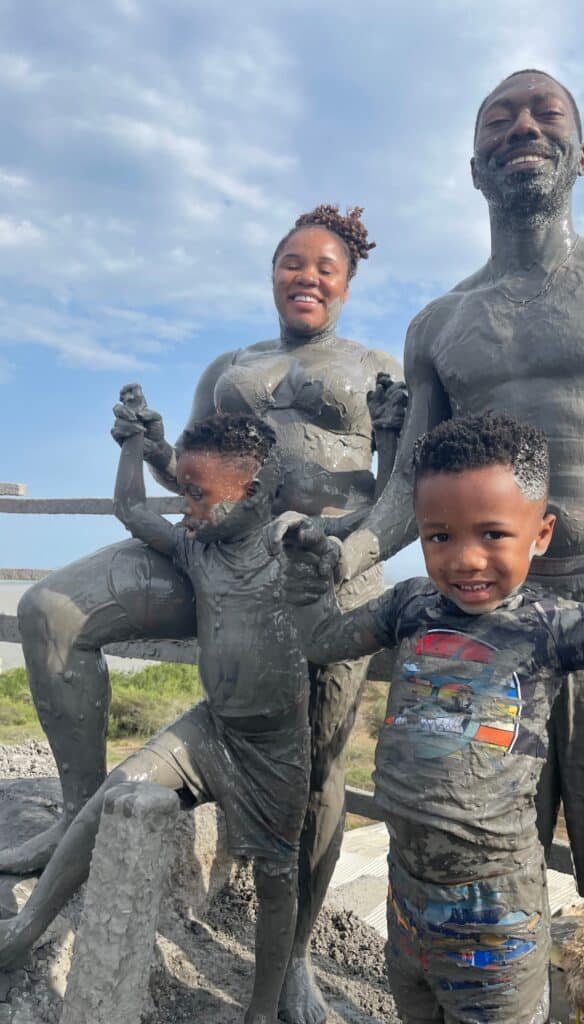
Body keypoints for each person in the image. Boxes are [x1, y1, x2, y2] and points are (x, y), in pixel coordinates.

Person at [332, 72, 584, 1023]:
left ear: (582, 154)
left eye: (547, 114)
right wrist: (336, 554)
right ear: (474, 167)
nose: (524, 126)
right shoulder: (437, 324)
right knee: (462, 845)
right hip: (481, 625)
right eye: (499, 119)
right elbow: (405, 492)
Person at [12, 204, 405, 1024]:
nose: (307, 276)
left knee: (322, 762)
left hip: (318, 567)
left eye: (325, 266)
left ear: (348, 281)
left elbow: (398, 483)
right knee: (49, 607)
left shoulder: (376, 366)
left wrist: (358, 549)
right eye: (291, 262)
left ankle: (290, 956)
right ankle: (79, 817)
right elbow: (189, 468)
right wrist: (150, 441)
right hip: (211, 551)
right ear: (272, 274)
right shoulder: (231, 365)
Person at [273, 413, 584, 1024]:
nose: (465, 559)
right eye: (438, 537)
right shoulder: (410, 605)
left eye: (492, 534)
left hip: (495, 917)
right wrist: (305, 575)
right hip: (404, 896)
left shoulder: (554, 626)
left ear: (541, 533)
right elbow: (323, 638)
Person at [0, 407, 333, 1024]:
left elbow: (381, 523)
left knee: (276, 877)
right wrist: (132, 445)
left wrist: (390, 448)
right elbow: (131, 511)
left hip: (275, 753)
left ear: (254, 493)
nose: (186, 509)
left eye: (198, 495)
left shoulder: (287, 549)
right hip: (209, 730)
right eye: (182, 492)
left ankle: (262, 1010)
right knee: (112, 795)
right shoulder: (195, 549)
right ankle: (23, 931)